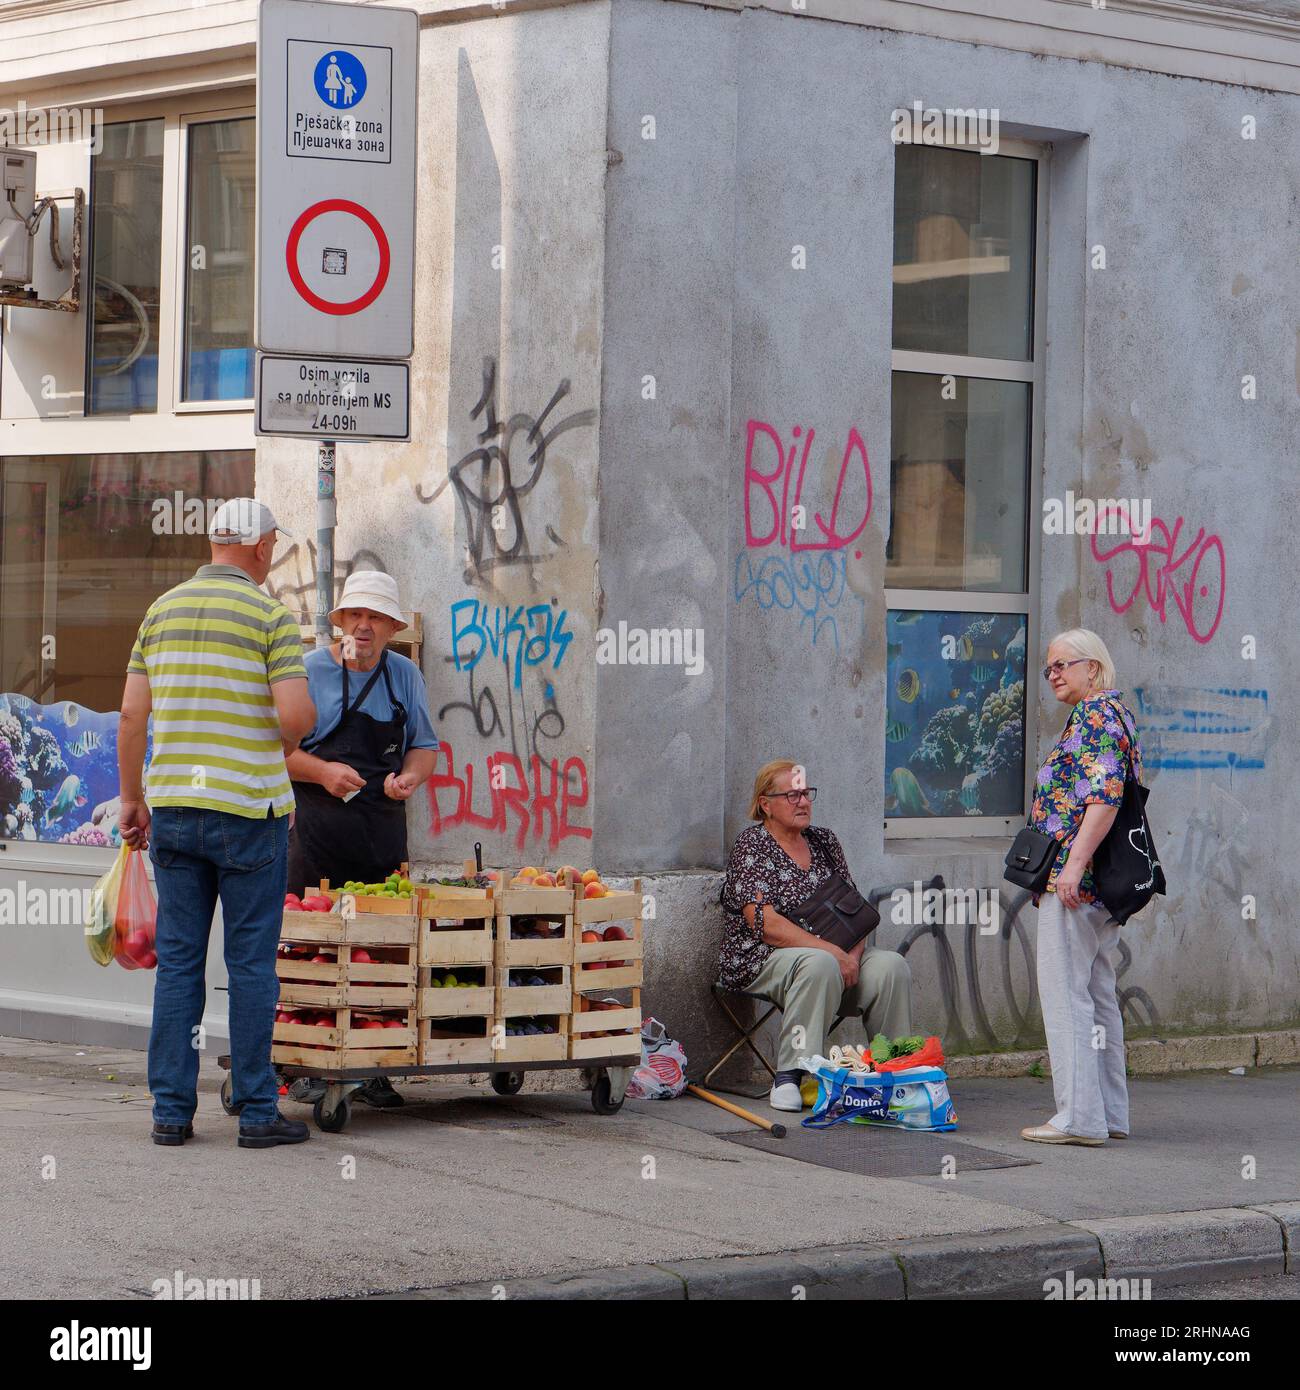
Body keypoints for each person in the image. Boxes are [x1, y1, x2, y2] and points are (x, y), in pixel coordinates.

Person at [118, 499, 318, 1150]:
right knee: (252, 965)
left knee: (178, 964)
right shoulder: (269, 617)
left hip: (174, 809)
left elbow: (130, 717)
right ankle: (258, 1112)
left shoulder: (160, 612)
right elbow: (295, 721)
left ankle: (171, 1114)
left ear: (212, 544)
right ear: (261, 548)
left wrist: (131, 800)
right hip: (249, 812)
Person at [285, 571, 437, 1109]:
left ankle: (375, 1063)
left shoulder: (405, 676)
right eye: (356, 616)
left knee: (381, 949)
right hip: (317, 832)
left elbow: (423, 746)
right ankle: (306, 1060)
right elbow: (279, 753)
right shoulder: (306, 672)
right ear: (342, 621)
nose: (364, 627)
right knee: (314, 948)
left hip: (380, 831)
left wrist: (411, 778)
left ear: (392, 627)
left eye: (375, 618)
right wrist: (324, 773)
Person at [719, 759, 913, 1112]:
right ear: (765, 803)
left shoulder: (824, 841)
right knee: (818, 963)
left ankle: (895, 1072)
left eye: (806, 793)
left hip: (833, 962)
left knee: (890, 966)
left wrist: (851, 958)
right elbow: (767, 925)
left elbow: (855, 911)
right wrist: (833, 954)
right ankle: (794, 1074)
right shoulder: (752, 846)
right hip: (761, 959)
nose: (803, 802)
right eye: (792, 795)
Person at [1021, 628, 1140, 1148]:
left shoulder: (1094, 716)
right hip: (1100, 889)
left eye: (1062, 665)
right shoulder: (1117, 715)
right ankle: (1109, 1114)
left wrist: (1071, 867)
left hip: (1075, 885)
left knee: (1066, 996)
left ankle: (1077, 1118)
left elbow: (1105, 797)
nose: (1053, 675)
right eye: (1048, 669)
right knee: (1096, 996)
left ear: (1093, 667)